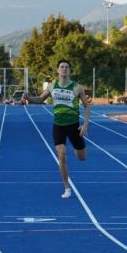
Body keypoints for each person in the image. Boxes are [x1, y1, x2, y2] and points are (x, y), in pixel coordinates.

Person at [25, 59, 91, 199]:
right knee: (61, 155)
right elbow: (41, 99)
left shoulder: (77, 87)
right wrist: (29, 98)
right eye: (62, 67)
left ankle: (76, 146)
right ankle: (67, 187)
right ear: (57, 70)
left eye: (67, 67)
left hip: (74, 126)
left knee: (81, 157)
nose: (64, 69)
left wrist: (85, 125)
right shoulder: (51, 85)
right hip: (58, 126)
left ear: (70, 70)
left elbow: (87, 106)